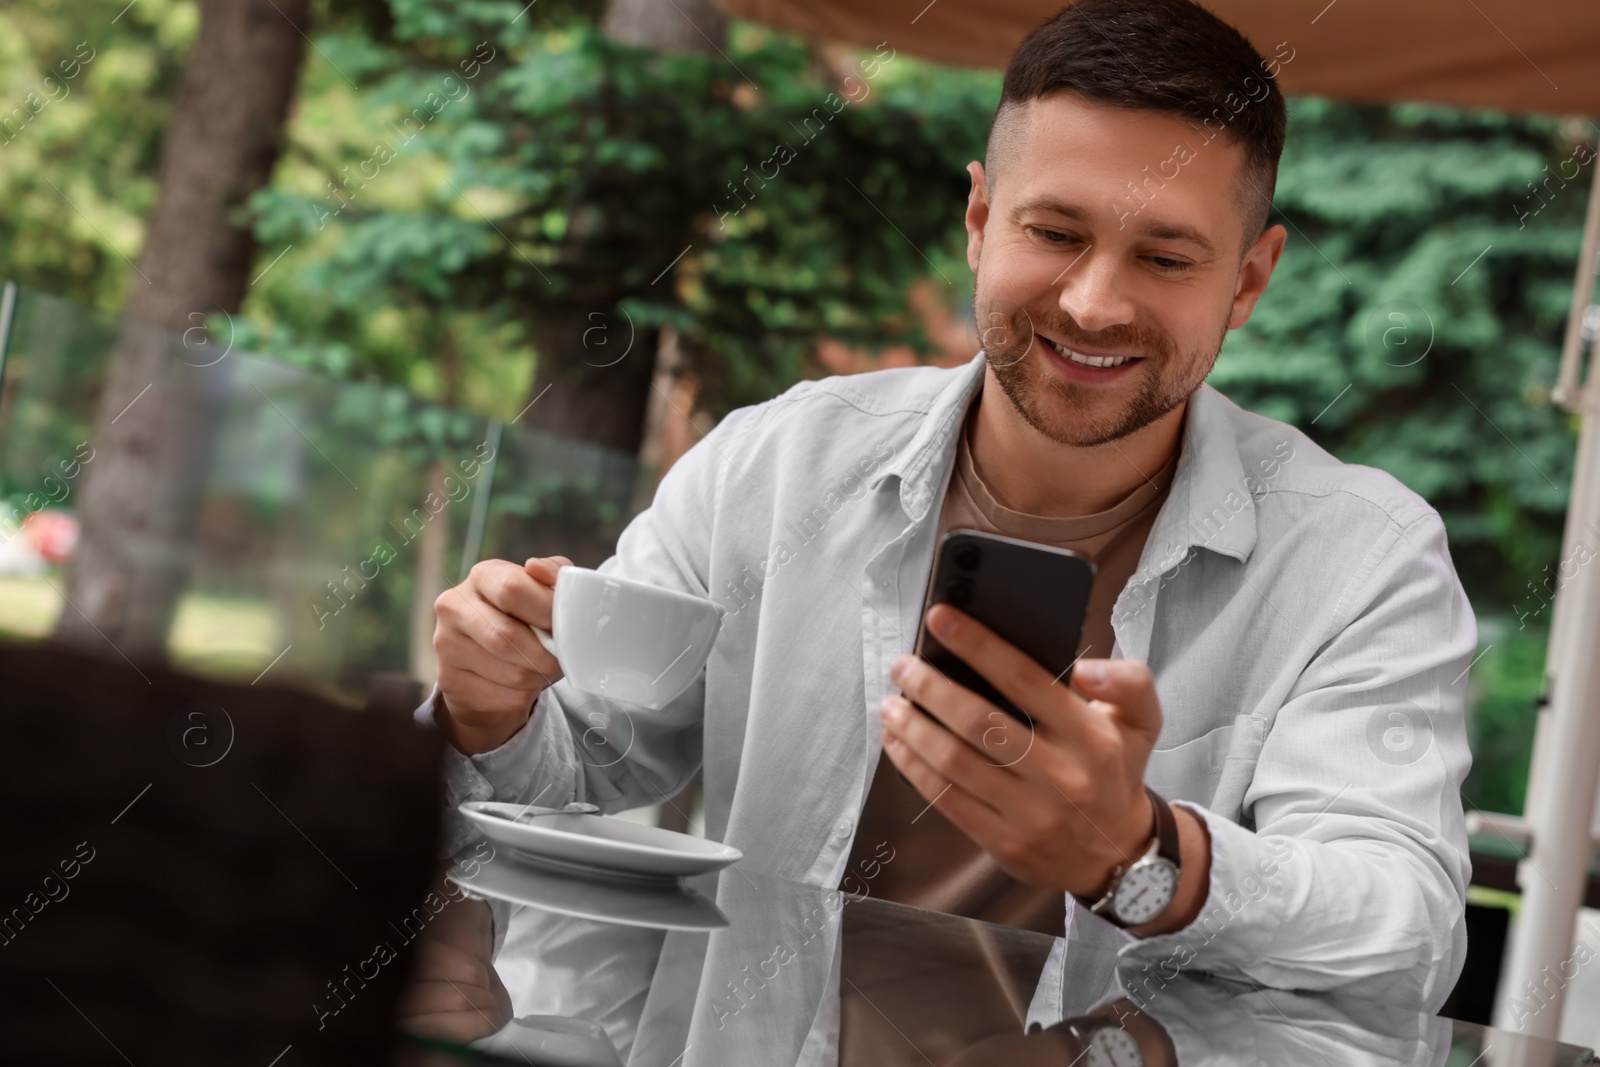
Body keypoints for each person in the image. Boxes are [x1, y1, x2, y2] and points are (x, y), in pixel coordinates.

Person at [403, 0, 1474, 1044]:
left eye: (1165, 257)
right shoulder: (773, 463)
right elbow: (586, 758)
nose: (1095, 303)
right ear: (977, 221)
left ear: (1248, 278)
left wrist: (1140, 853)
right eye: (1054, 231)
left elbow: (1406, 930)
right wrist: (491, 706)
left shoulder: (1360, 556)